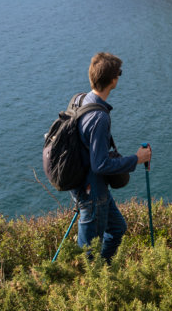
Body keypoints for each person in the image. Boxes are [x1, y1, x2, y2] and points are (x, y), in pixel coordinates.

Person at [71, 52, 152, 262]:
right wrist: (137, 159)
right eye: (119, 74)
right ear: (113, 80)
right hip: (92, 192)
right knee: (88, 252)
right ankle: (90, 283)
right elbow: (100, 165)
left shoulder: (82, 100)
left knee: (117, 229)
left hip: (87, 186)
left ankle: (103, 271)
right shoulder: (98, 117)